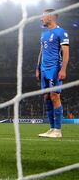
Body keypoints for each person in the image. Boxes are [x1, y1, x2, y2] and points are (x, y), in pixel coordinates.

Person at [36, 8, 69, 139]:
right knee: (46, 98)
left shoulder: (61, 32)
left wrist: (63, 69)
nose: (41, 18)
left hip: (54, 68)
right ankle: (51, 128)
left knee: (55, 96)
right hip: (43, 69)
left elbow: (66, 52)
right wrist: (37, 67)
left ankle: (58, 130)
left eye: (43, 16)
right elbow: (41, 51)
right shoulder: (43, 33)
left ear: (50, 17)